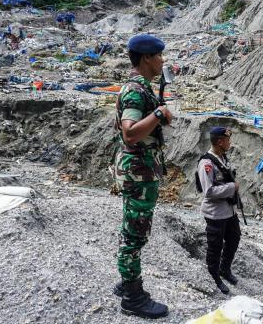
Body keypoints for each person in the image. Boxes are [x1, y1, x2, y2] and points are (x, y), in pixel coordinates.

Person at [112, 33, 172, 319]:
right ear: (147, 58)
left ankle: (126, 283)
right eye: (159, 55)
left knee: (132, 228)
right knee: (135, 233)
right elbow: (131, 132)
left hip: (139, 170)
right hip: (138, 171)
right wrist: (159, 115)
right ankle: (133, 297)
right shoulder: (135, 90)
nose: (162, 60)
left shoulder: (143, 87)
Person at [196, 127, 242, 294]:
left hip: (229, 211)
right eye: (227, 140)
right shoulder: (206, 163)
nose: (230, 143)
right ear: (220, 142)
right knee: (215, 246)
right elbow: (208, 191)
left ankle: (225, 269)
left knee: (234, 238)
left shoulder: (222, 158)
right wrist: (232, 187)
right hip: (215, 213)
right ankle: (214, 275)